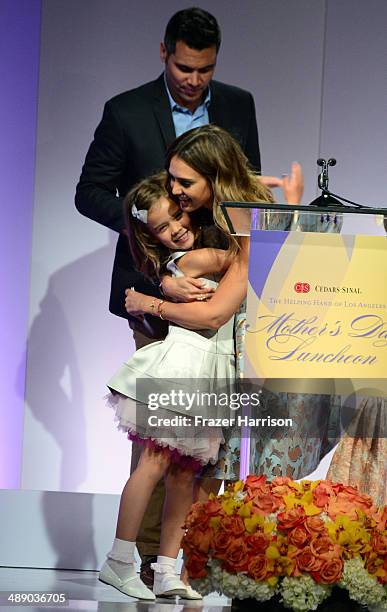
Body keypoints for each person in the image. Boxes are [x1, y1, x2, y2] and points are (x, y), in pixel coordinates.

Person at [74, 7, 262, 581]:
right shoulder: (127, 111)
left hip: (220, 287)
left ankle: (174, 563)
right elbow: (89, 193)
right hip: (154, 280)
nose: (194, 79)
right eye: (184, 67)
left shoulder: (238, 105)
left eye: (204, 69)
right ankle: (132, 556)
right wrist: (155, 235)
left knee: (199, 449)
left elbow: (245, 189)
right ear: (164, 53)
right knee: (159, 441)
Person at [125, 125, 340, 482]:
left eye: (185, 183)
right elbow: (165, 248)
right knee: (183, 470)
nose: (174, 189)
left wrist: (147, 303)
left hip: (257, 355)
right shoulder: (213, 205)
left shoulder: (239, 213)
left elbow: (216, 311)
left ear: (214, 176)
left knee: (232, 477)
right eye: (173, 179)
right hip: (235, 353)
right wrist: (167, 278)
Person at [100, 171, 241, 600]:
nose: (176, 229)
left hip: (210, 374)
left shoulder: (189, 257)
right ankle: (119, 560)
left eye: (177, 217)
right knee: (155, 464)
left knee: (184, 475)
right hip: (183, 366)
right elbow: (242, 256)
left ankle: (166, 569)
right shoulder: (193, 261)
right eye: (162, 227)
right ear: (150, 236)